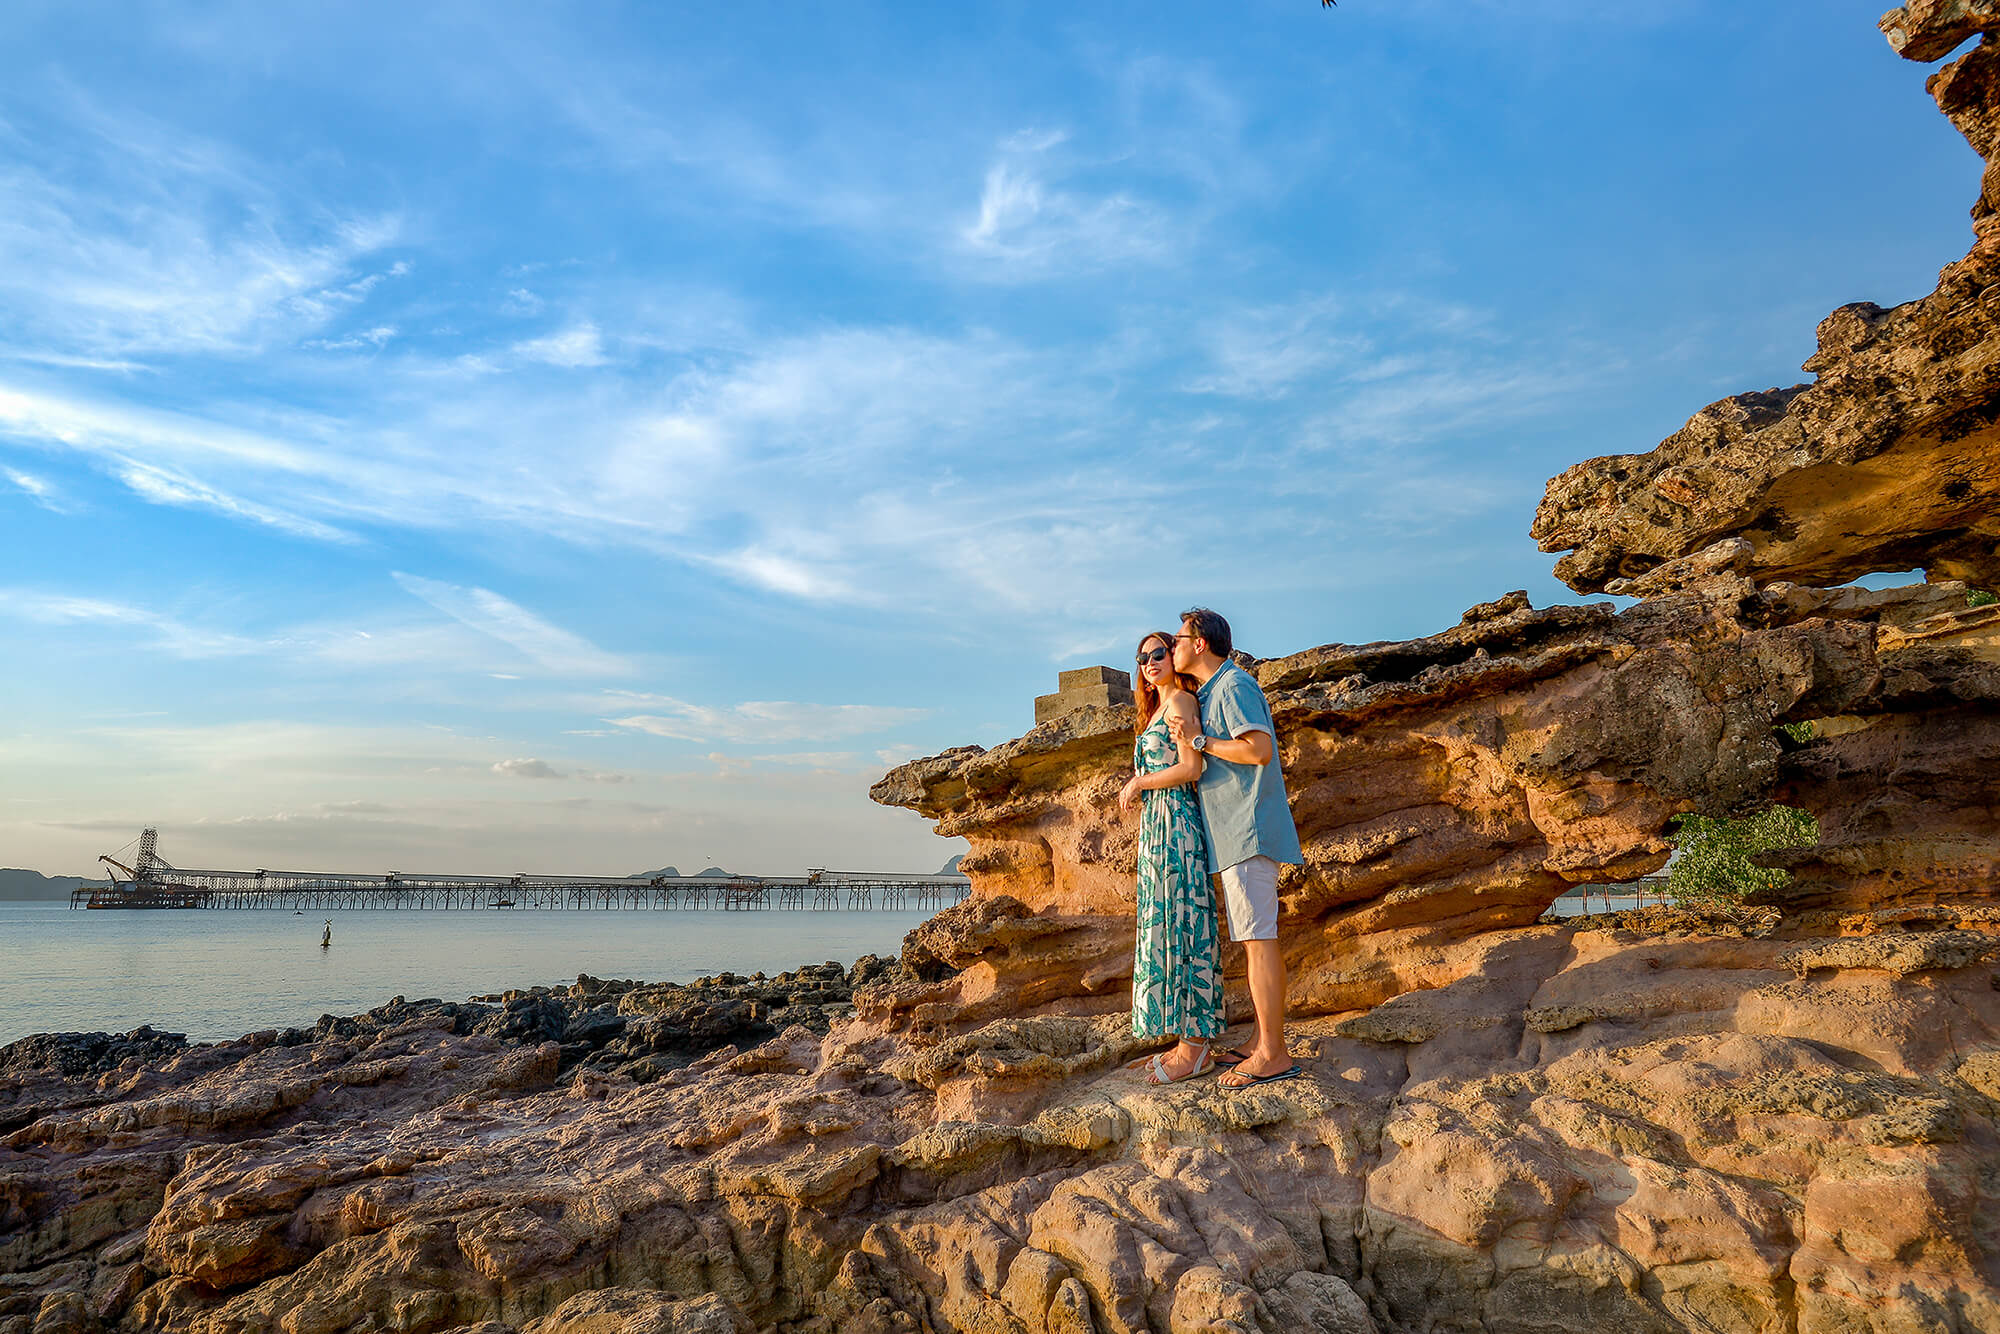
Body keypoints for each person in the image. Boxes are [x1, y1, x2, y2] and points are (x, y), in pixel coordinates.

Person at [1169, 607, 1305, 1088]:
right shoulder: (1212, 691)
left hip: (1247, 829)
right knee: (1252, 939)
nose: (1172, 648)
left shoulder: (1233, 686)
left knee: (1259, 938)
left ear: (1200, 643)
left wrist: (1202, 740)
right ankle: (1259, 1041)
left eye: (1179, 639)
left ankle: (1273, 1053)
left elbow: (1258, 750)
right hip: (1234, 833)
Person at [1117, 630, 1225, 1084]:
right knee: (1165, 918)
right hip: (1157, 828)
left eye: (1158, 653)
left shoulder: (1181, 701)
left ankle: (1195, 1048)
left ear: (1173, 656)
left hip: (1176, 821)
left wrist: (1140, 783)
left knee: (1183, 920)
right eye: (1142, 658)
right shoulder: (1157, 709)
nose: (1149, 662)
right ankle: (1184, 1039)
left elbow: (1191, 766)